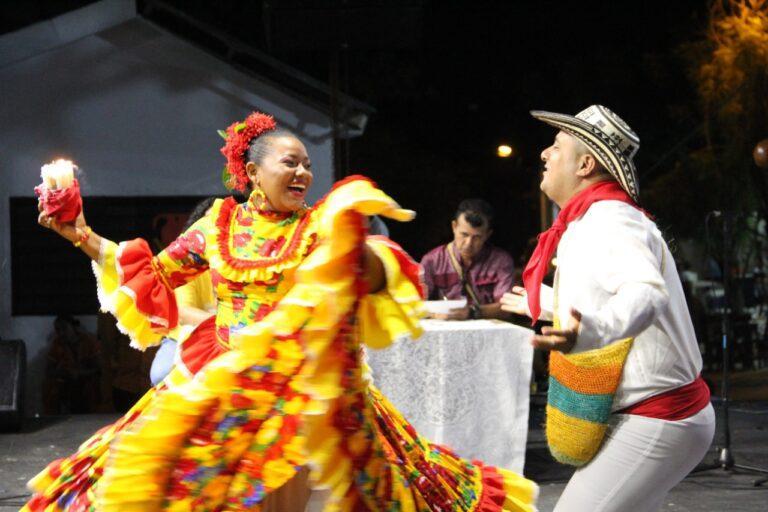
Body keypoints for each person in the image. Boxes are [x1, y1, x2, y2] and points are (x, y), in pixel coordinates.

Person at [26, 111, 537, 511]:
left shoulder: (320, 225)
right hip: (223, 378)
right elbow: (153, 277)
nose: (303, 172)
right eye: (290, 162)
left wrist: (360, 252)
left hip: (296, 389)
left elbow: (380, 271)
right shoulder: (218, 225)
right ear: (252, 172)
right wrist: (82, 236)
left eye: (307, 164)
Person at [501, 105, 714, 512]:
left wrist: (588, 331)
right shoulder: (591, 219)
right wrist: (553, 306)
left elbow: (646, 294)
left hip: (660, 416)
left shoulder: (610, 218)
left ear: (585, 164)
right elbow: (606, 296)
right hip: (662, 416)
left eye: (556, 146)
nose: (545, 154)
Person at [149, 197, 218, 385]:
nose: (216, 228)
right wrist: (226, 325)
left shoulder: (245, 262)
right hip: (186, 336)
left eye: (223, 221)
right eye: (209, 222)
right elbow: (184, 312)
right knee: (161, 375)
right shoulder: (190, 263)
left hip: (235, 338)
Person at [420, 198, 515, 320]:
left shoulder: (501, 261)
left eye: (477, 237)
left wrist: (472, 312)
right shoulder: (431, 261)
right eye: (464, 234)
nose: (469, 243)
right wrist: (434, 314)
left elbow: (507, 308)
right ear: (454, 227)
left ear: (488, 235)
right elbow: (416, 304)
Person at [42, 315, 102, 414]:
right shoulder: (57, 344)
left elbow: (99, 368)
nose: (61, 333)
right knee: (49, 387)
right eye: (58, 330)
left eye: (64, 328)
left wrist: (81, 373)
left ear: (73, 327)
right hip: (66, 381)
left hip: (87, 380)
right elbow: (49, 370)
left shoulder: (89, 341)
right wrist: (65, 372)